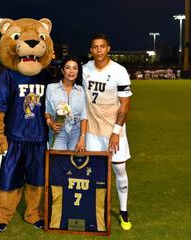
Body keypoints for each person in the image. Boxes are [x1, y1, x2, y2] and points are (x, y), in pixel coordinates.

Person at [82, 33, 133, 230]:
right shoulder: (85, 69)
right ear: (91, 50)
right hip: (93, 132)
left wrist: (116, 131)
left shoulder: (119, 71)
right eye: (95, 47)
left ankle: (124, 212)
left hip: (114, 131)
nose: (99, 50)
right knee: (95, 172)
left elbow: (125, 106)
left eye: (102, 46)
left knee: (119, 169)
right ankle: (96, 210)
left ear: (108, 48)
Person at [45, 56, 87, 151]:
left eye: (75, 68)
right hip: (58, 131)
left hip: (76, 132)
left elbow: (84, 116)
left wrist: (82, 137)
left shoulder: (81, 90)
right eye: (68, 68)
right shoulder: (51, 88)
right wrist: (50, 123)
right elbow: (47, 111)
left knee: (74, 163)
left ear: (78, 71)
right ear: (63, 71)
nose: (71, 71)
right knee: (59, 163)